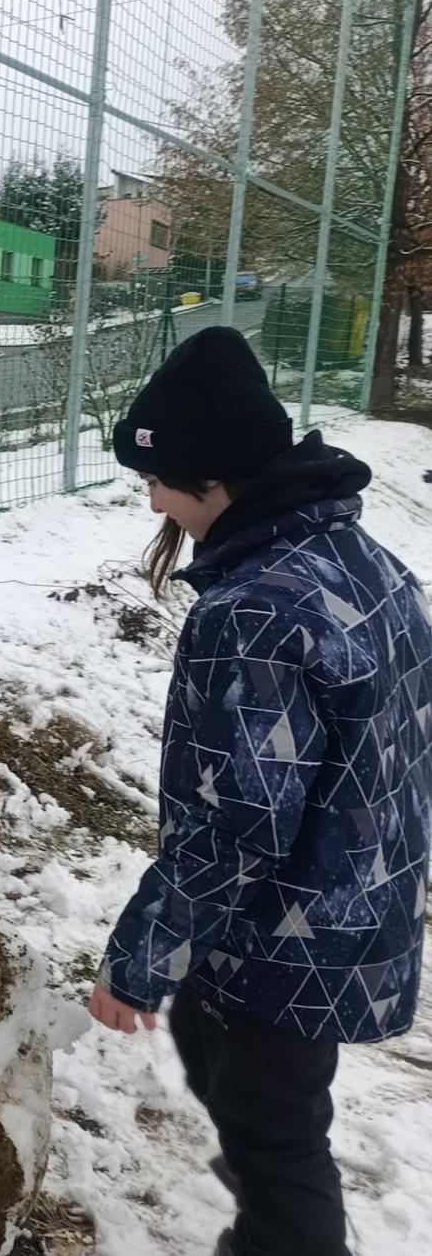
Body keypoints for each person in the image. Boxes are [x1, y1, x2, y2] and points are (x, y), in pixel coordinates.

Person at [85, 326, 432, 1256]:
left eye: (152, 480)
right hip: (360, 901)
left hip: (286, 939)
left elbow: (239, 823)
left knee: (280, 1150)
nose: (149, 499)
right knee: (244, 1087)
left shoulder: (251, 612)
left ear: (209, 477)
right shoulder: (360, 559)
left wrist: (142, 955)